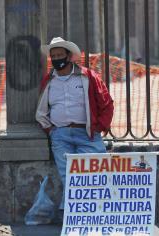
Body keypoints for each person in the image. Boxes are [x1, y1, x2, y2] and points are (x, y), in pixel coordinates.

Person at [36, 37, 114, 213]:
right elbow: (41, 111)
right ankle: (72, 216)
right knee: (68, 177)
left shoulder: (88, 77)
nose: (56, 58)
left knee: (95, 175)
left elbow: (106, 103)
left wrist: (99, 127)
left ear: (69, 56)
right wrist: (51, 131)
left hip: (87, 135)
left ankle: (94, 213)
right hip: (60, 137)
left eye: (60, 54)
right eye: (53, 55)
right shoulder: (49, 81)